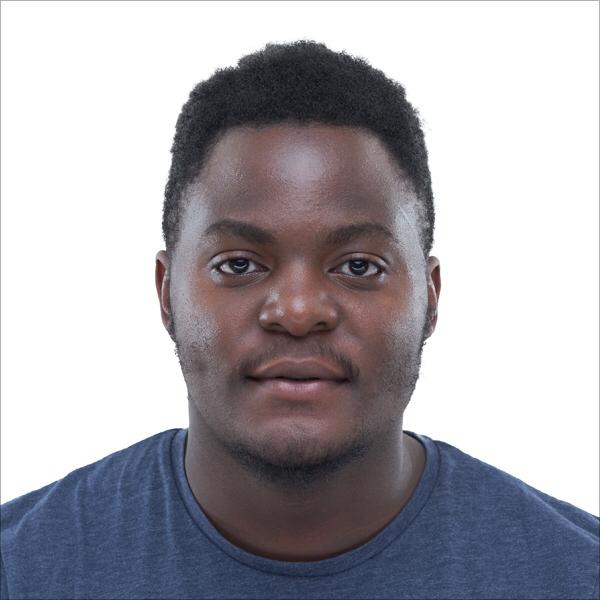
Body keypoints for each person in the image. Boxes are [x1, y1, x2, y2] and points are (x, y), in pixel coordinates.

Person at [1, 40, 598, 600]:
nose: (298, 311)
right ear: (166, 293)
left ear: (430, 297)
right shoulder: (21, 569)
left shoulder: (576, 575)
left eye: (359, 266)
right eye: (238, 264)